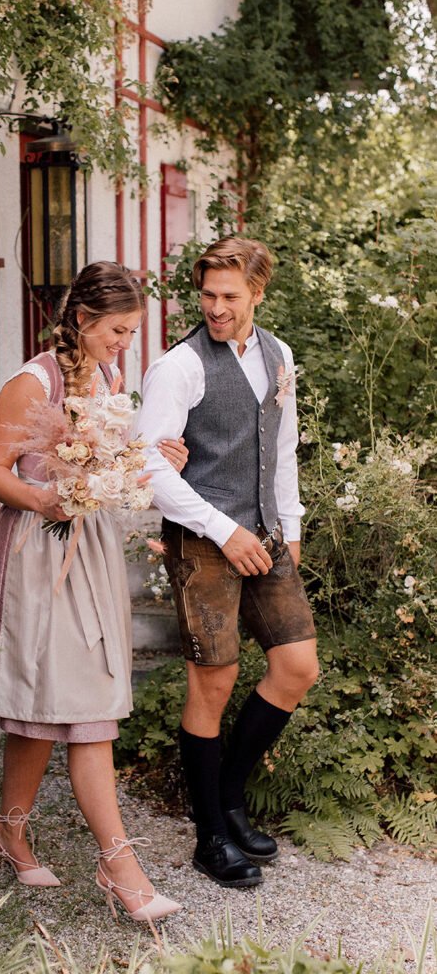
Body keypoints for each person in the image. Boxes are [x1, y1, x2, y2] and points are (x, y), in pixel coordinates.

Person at [0, 261, 185, 923]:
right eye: (117, 330)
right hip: (36, 553)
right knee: (73, 706)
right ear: (83, 319)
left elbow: (111, 464)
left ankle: (9, 830)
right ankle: (121, 869)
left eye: (131, 332)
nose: (125, 343)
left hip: (87, 552)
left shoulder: (111, 378)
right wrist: (47, 498)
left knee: (62, 702)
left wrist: (152, 459)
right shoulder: (31, 382)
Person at [136, 237, 319, 888]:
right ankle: (211, 833)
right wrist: (222, 530)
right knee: (212, 682)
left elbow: (283, 446)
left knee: (296, 667)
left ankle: (227, 798)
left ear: (257, 294)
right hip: (201, 537)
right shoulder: (177, 367)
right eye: (207, 294)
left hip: (266, 534)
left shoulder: (279, 356)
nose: (215, 307)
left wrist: (288, 527)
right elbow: (149, 466)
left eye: (229, 296)